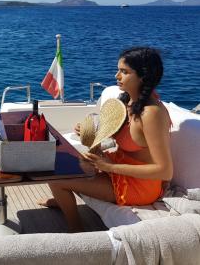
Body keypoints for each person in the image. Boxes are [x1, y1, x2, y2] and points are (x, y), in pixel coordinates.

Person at [39, 47, 173, 232]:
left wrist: (108, 167)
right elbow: (117, 135)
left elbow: (164, 171)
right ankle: (62, 199)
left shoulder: (151, 114)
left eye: (124, 72)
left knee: (57, 179)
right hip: (116, 168)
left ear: (143, 76)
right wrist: (89, 132)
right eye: (118, 70)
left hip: (138, 185)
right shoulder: (127, 102)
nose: (117, 75)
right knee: (58, 162)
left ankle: (76, 230)